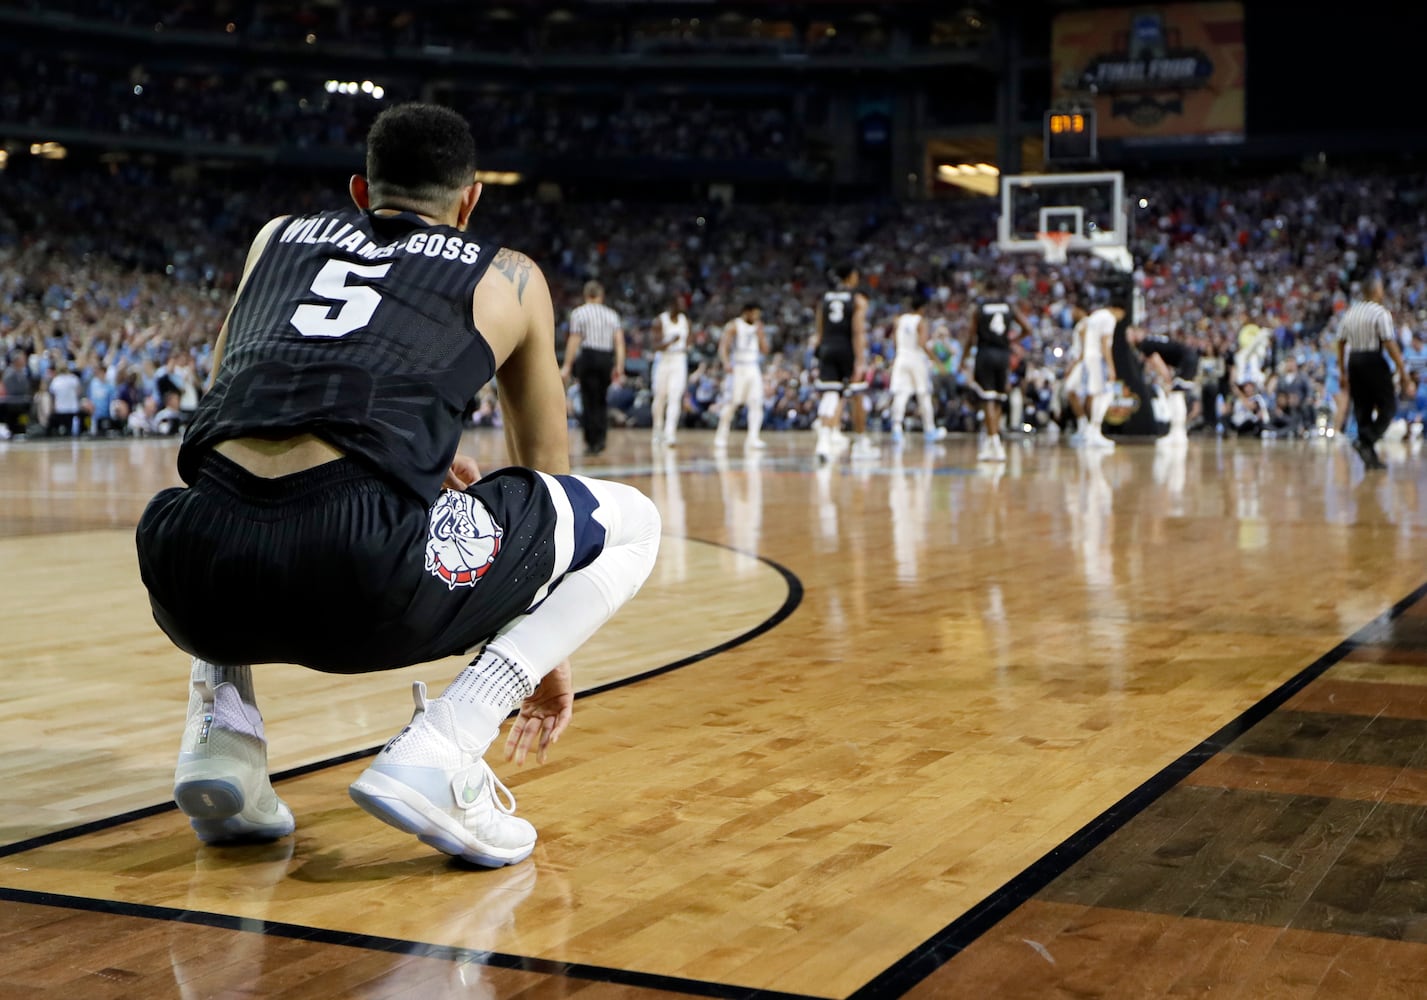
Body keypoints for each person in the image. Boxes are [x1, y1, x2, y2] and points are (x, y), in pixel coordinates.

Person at [134, 103, 661, 868]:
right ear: (471, 199)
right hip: (358, 572)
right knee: (633, 520)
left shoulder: (272, 238)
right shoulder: (509, 274)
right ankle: (445, 746)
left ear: (359, 190)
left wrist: (395, 445)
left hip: (190, 571)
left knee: (224, 487)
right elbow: (549, 473)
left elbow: (230, 410)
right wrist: (539, 652)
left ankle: (222, 741)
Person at [1338, 275, 1413, 469]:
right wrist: (1402, 372)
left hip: (1353, 361)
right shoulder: (1380, 313)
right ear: (1375, 290)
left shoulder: (1351, 312)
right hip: (1373, 360)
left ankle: (1370, 458)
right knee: (1389, 407)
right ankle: (1366, 441)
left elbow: (1340, 342)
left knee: (1362, 409)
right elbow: (1389, 342)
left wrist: (1342, 371)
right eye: (1381, 288)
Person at [964, 275, 1031, 462]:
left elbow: (970, 336)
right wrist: (1012, 340)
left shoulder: (980, 308)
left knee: (987, 399)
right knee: (999, 399)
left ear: (986, 290)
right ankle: (993, 440)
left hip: (985, 354)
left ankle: (993, 441)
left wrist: (963, 358)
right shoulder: (1009, 307)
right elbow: (1028, 328)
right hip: (1003, 355)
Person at [810, 265, 871, 462]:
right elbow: (857, 331)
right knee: (857, 395)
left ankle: (824, 443)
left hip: (827, 349)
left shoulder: (825, 299)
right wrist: (860, 361)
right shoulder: (857, 300)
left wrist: (818, 353)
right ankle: (861, 443)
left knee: (830, 395)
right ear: (852, 277)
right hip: (847, 349)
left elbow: (819, 331)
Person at [560, 280, 625, 456]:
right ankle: (601, 439)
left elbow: (574, 340)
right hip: (606, 357)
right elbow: (619, 342)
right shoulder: (612, 315)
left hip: (588, 356)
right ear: (601, 296)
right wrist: (619, 366)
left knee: (588, 399)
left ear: (586, 295)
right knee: (601, 399)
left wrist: (567, 365)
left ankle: (591, 441)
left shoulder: (579, 313)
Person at [888, 294, 946, 446]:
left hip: (901, 357)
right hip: (916, 358)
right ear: (922, 308)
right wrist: (935, 360)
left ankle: (896, 428)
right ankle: (929, 429)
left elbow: (895, 341)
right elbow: (922, 343)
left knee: (901, 393)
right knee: (923, 394)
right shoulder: (920, 321)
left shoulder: (899, 320)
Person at [714, 302, 770, 450]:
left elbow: (765, 350)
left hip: (753, 366)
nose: (757, 316)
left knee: (756, 403)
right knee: (732, 403)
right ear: (747, 312)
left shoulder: (758, 327)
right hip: (738, 366)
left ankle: (753, 437)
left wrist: (761, 335)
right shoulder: (734, 325)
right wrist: (726, 363)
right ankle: (721, 435)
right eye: (755, 313)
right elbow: (723, 347)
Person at [648, 298, 689, 448]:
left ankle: (670, 433)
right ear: (672, 305)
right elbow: (655, 345)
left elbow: (689, 340)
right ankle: (657, 429)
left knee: (675, 396)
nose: (684, 305)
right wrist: (670, 341)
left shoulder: (685, 321)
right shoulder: (660, 320)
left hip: (679, 360)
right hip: (663, 361)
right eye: (680, 302)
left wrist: (685, 345)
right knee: (660, 397)